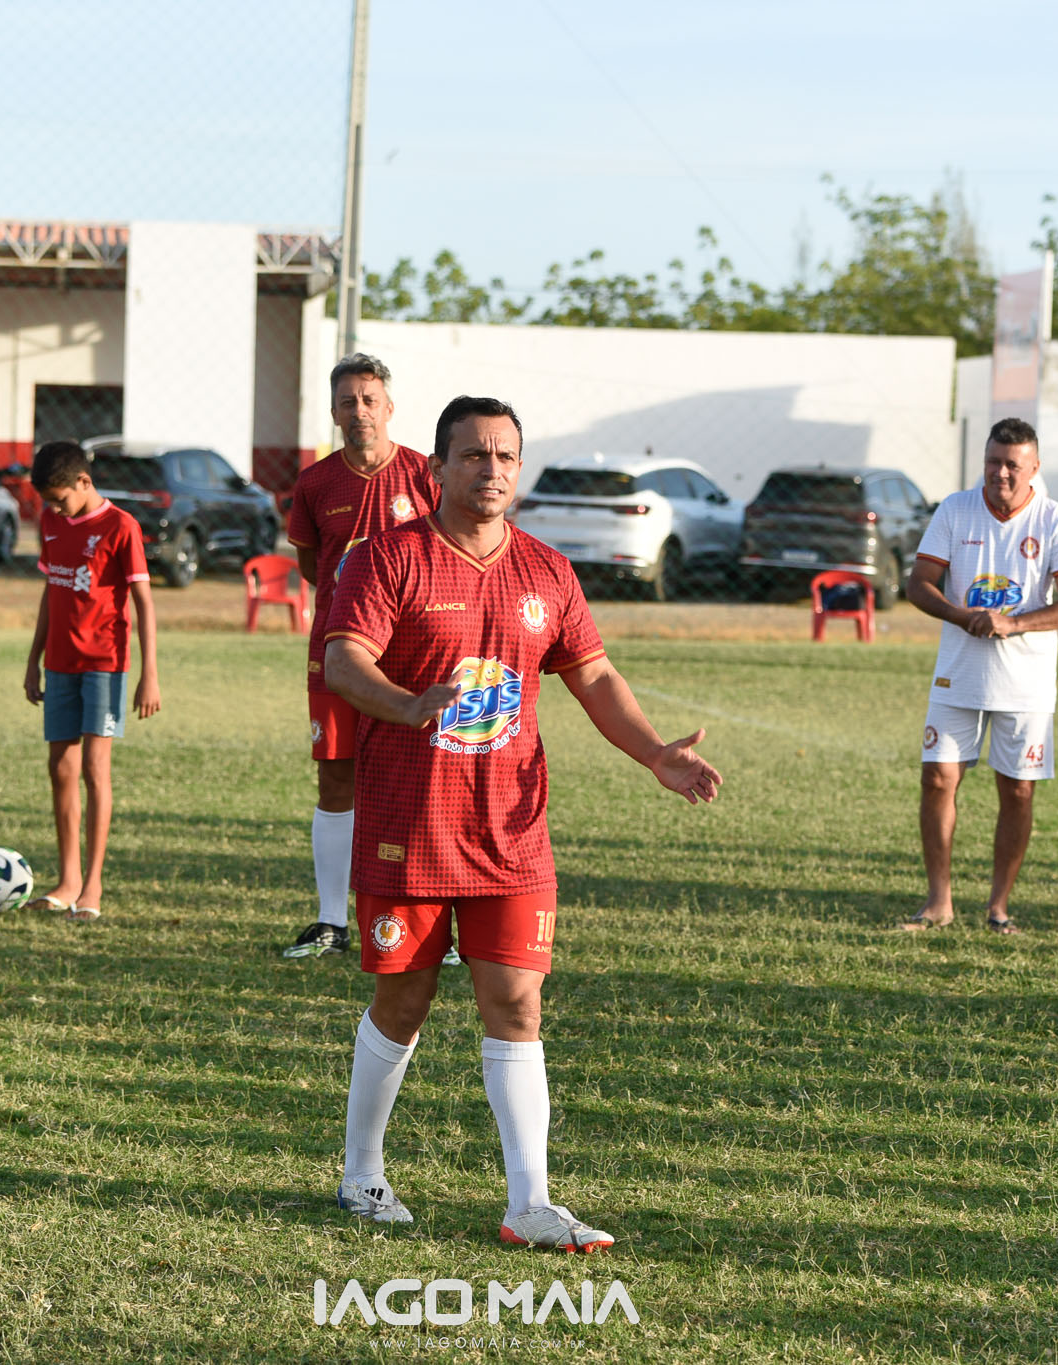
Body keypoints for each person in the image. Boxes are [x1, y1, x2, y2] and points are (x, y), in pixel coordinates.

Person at [321, 395, 721, 1250]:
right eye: (474, 454)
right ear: (437, 467)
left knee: (517, 1001)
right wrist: (407, 702)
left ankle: (530, 1203)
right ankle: (362, 1171)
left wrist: (654, 753)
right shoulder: (388, 558)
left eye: (505, 455)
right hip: (410, 823)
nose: (492, 469)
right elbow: (343, 661)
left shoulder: (548, 570)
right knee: (404, 997)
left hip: (511, 829)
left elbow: (595, 676)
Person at [903, 417, 1058, 933]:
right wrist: (962, 615)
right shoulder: (955, 509)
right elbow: (919, 584)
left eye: (1012, 465)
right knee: (937, 779)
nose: (1001, 473)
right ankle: (938, 902)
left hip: (1026, 684)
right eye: (993, 461)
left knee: (1018, 791)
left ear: (1034, 468)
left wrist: (1014, 623)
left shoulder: (1055, 519)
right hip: (958, 674)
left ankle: (998, 907)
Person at [279, 353, 437, 959]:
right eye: (348, 401)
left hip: (412, 653)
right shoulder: (316, 483)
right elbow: (312, 567)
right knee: (336, 778)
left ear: (389, 408)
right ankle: (331, 922)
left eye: (370, 400)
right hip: (337, 652)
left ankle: (430, 922)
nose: (360, 411)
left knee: (420, 781)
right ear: (334, 411)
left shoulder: (425, 475)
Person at [21, 441, 161, 922]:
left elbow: (143, 603)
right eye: (49, 502)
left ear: (84, 481)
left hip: (104, 663)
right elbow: (51, 591)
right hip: (60, 663)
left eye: (61, 499)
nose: (56, 509)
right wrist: (34, 659)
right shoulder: (51, 522)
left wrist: (149, 674)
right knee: (60, 767)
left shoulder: (121, 527)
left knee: (94, 769)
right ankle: (67, 881)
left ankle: (93, 885)